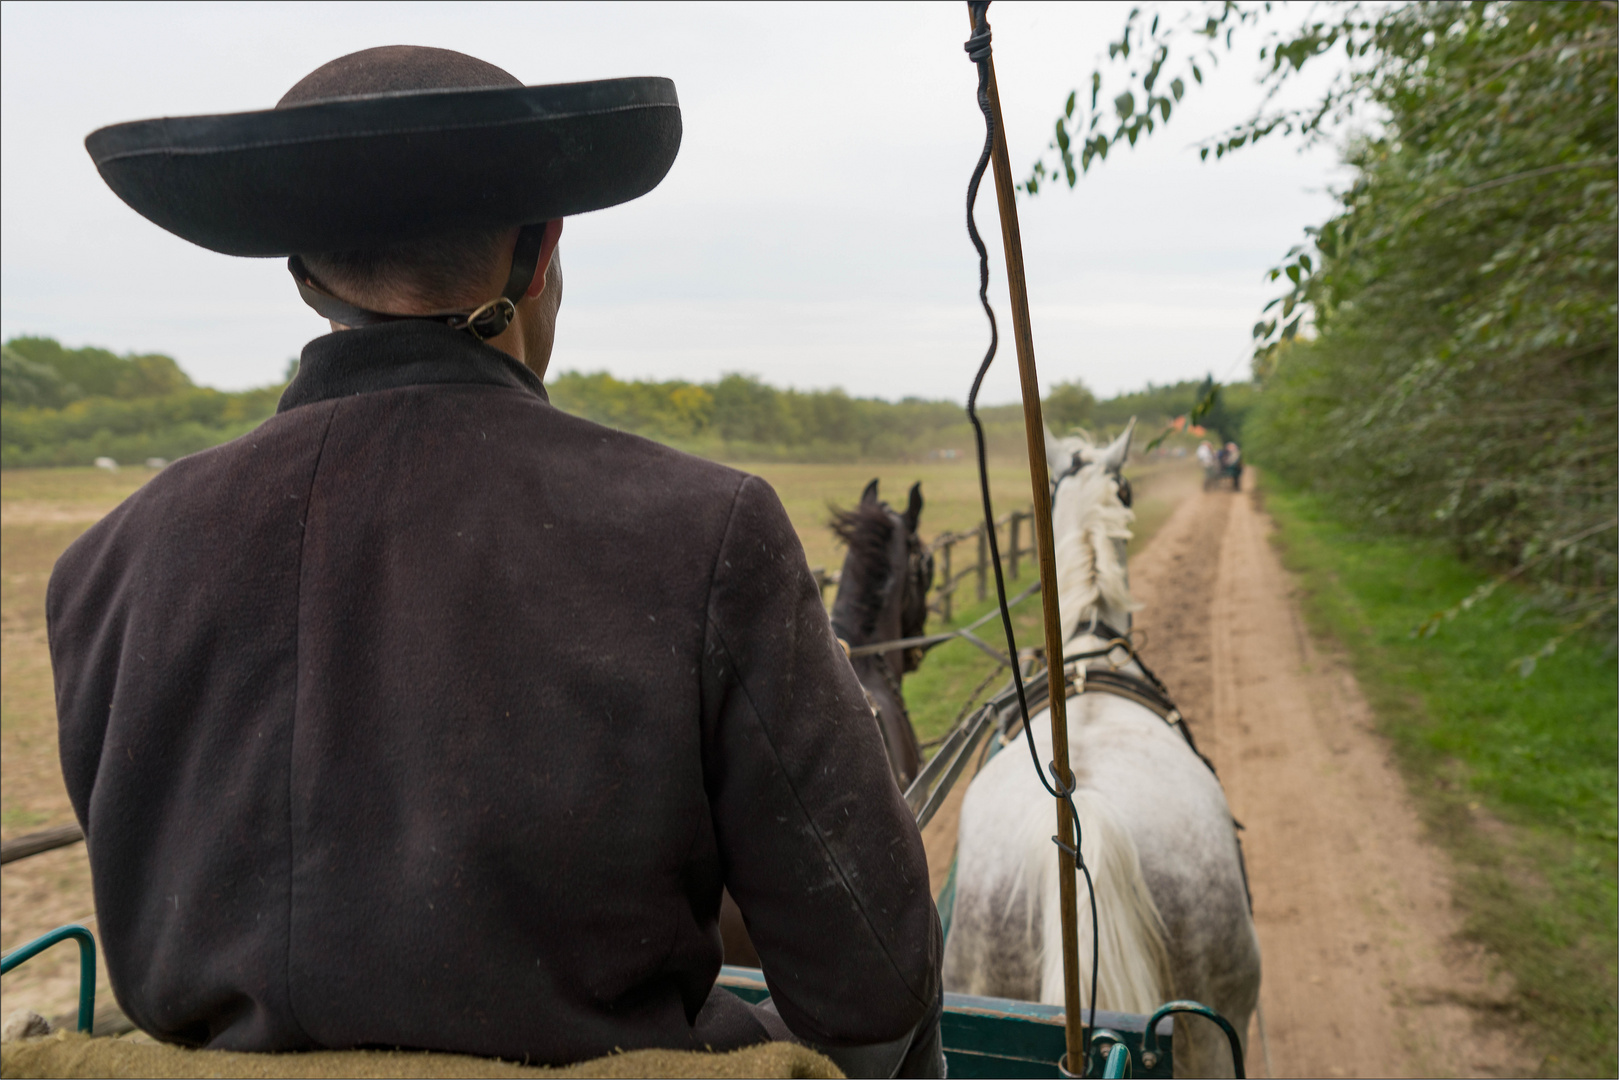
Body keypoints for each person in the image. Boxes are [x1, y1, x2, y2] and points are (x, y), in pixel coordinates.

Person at [49, 47, 941, 1076]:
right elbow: (872, 976)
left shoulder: (102, 571)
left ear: (301, 275)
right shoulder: (707, 526)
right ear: (541, 252)